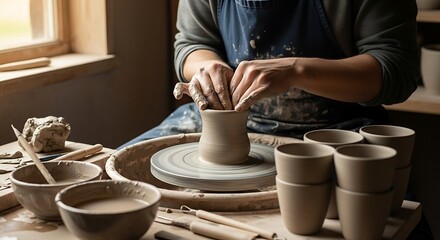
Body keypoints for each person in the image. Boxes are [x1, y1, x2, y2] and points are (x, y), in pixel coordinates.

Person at [120, 1, 434, 238]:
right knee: (119, 187)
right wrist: (206, 68)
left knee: (385, 223)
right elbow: (191, 42)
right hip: (224, 118)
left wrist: (299, 71)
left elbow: (396, 68)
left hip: (336, 126)